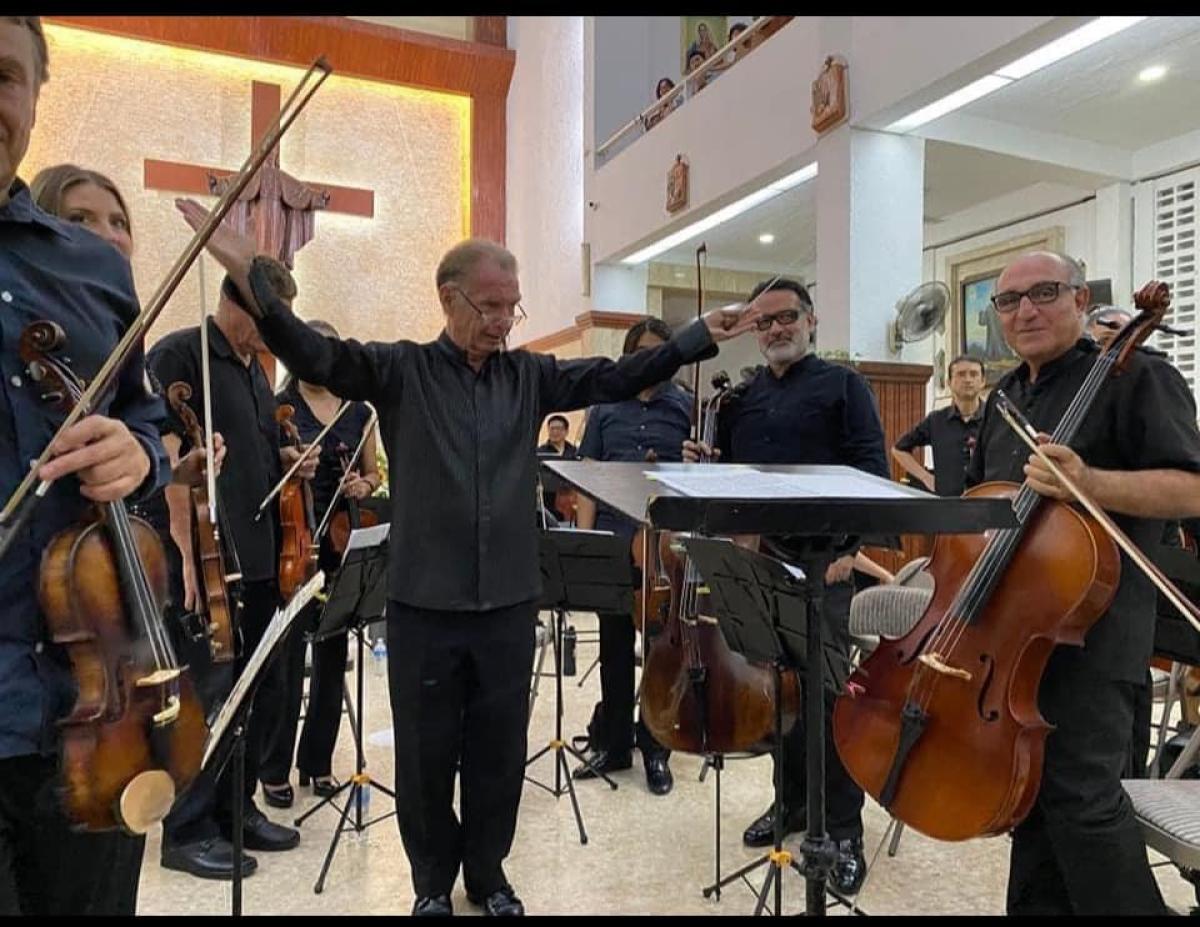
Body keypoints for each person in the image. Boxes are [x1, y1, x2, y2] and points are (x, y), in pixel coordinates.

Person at [177, 204, 765, 916]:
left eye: (512, 307)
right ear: (448, 297)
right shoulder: (400, 369)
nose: (503, 321)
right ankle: (432, 882)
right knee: (425, 759)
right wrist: (251, 277)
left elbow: (612, 375)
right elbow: (315, 357)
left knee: (498, 753)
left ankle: (487, 874)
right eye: (490, 306)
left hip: (509, 604)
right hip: (424, 605)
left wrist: (696, 337)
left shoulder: (529, 376)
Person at [966, 250, 1200, 915]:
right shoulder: (1005, 396)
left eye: (1044, 292)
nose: (1025, 310)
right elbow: (986, 503)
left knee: (1081, 803)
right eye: (1009, 301)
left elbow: (1191, 489)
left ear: (1079, 299)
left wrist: (1089, 482)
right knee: (1029, 799)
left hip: (1095, 636)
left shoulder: (1139, 376)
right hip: (1011, 633)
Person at [0, 17, 172, 915]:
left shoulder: (94, 272)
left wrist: (138, 451)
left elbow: (142, 416)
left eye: (5, 76)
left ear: (34, 97)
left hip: (90, 708)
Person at [683, 277, 888, 896]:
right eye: (764, 321)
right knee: (780, 696)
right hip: (761, 563)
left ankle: (844, 831)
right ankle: (792, 803)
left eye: (786, 317)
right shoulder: (739, 401)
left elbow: (872, 472)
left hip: (825, 564)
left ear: (811, 319)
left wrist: (849, 552)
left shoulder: (844, 386)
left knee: (827, 703)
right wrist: (702, 467)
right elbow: (730, 483)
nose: (776, 329)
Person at [148, 271, 315, 879]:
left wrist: (287, 456)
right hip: (206, 558)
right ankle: (187, 829)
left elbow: (256, 450)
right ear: (229, 301)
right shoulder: (179, 355)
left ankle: (234, 809)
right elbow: (164, 457)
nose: (268, 332)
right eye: (263, 317)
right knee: (205, 695)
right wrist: (185, 550)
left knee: (251, 696)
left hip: (259, 554)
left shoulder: (256, 371)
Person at [260, 319, 380, 805]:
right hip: (295, 542)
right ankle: (274, 767)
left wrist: (363, 485)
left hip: (340, 540)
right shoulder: (277, 407)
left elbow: (373, 474)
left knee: (332, 657)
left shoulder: (359, 411)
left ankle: (318, 762)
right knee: (287, 661)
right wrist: (288, 463)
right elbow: (263, 474)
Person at [571, 317, 692, 796]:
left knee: (661, 650)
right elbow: (588, 479)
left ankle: (657, 747)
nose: (651, 359)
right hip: (614, 536)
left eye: (660, 351)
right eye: (643, 351)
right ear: (629, 354)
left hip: (664, 544)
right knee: (613, 646)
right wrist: (586, 546)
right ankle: (616, 744)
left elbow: (700, 476)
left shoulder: (685, 406)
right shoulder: (604, 408)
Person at [892, 354, 985, 497]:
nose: (968, 380)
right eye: (961, 374)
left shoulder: (995, 418)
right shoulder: (936, 420)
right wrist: (925, 476)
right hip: (946, 504)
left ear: (983, 381)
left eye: (974, 374)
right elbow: (899, 449)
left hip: (987, 502)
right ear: (949, 382)